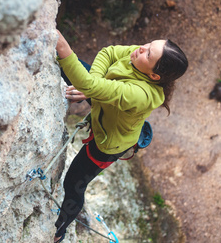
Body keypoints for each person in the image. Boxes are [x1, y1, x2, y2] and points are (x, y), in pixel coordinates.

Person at [53, 30, 188, 243]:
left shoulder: (141, 95)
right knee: (73, 66)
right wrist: (92, 86)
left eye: (149, 54)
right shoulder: (139, 56)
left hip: (107, 145)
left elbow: (89, 83)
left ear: (154, 76)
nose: (141, 48)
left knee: (73, 184)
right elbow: (109, 52)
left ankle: (58, 232)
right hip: (106, 102)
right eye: (149, 44)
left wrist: (65, 51)